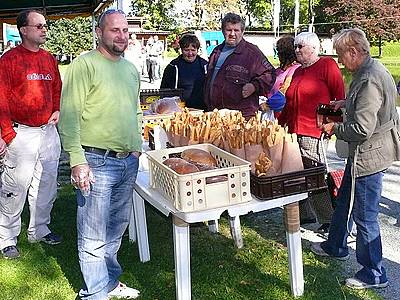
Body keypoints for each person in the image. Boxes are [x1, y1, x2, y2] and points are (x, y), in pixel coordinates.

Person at [58, 9, 142, 300]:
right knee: (93, 235)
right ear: (99, 32)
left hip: (126, 162)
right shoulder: (84, 65)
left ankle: (107, 283)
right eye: (114, 30)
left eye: (125, 30)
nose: (122, 36)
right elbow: (69, 117)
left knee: (115, 229)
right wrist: (77, 160)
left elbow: (135, 110)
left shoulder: (131, 69)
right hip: (96, 162)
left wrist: (137, 147)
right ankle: (95, 293)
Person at [311, 28, 399, 290]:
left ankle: (374, 273)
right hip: (364, 153)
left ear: (353, 51)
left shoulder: (370, 78)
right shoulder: (370, 69)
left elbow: (362, 129)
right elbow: (364, 104)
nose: (339, 61)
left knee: (365, 215)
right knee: (345, 201)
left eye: (341, 55)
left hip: (369, 155)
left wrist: (333, 128)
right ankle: (336, 245)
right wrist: (344, 103)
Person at [0, 9, 62, 259]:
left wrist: (56, 108)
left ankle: (39, 229)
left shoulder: (49, 59)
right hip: (20, 134)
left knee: (46, 185)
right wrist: (5, 134)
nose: (44, 29)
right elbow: (0, 99)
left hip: (48, 133)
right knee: (14, 187)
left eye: (44, 25)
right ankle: (6, 237)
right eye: (38, 26)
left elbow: (57, 86)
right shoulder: (9, 60)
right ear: (23, 30)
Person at [278, 32, 345, 233]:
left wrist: (332, 127)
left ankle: (327, 219)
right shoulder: (297, 71)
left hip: (314, 130)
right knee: (296, 172)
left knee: (314, 174)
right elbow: (290, 103)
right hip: (294, 130)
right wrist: (280, 124)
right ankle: (305, 213)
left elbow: (338, 98)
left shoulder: (327, 66)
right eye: (296, 46)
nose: (296, 50)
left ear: (314, 48)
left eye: (300, 46)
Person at [203, 12, 276, 119]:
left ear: (242, 32)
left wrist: (254, 86)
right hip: (216, 114)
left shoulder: (252, 53)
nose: (232, 34)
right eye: (229, 30)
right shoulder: (216, 51)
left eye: (236, 30)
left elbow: (270, 74)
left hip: (241, 117)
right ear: (223, 31)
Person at [160, 34, 208, 110]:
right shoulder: (173, 66)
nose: (190, 54)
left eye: (193, 50)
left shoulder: (205, 65)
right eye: (186, 50)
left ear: (197, 50)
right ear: (181, 50)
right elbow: (164, 91)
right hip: (180, 109)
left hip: (201, 109)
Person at [260, 35, 300, 119]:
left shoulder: (295, 70)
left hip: (282, 115)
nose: (277, 55)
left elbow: (285, 92)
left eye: (279, 52)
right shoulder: (278, 70)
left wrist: (266, 105)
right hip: (270, 113)